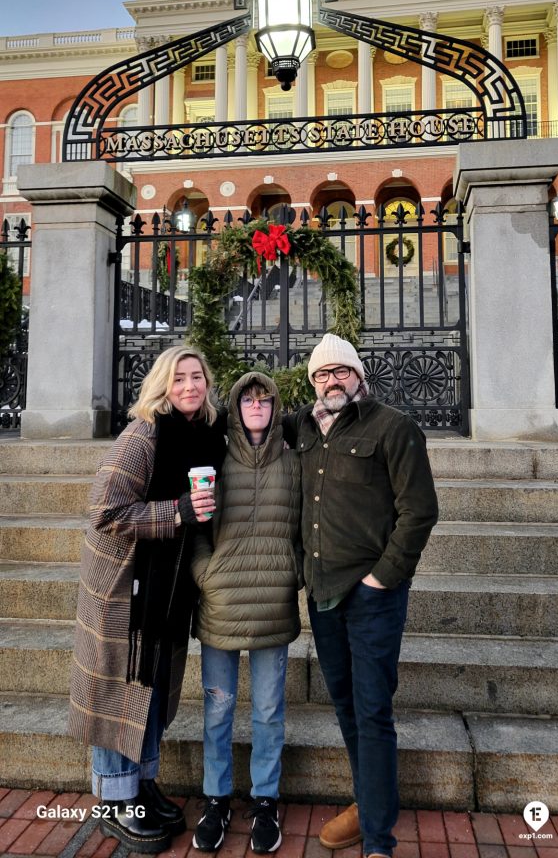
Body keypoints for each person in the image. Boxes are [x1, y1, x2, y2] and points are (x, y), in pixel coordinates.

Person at [283, 333, 439, 858]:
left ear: (358, 376)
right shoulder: (302, 428)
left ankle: (378, 840)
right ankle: (368, 800)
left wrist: (383, 578)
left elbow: (419, 511)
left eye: (340, 372)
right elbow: (245, 420)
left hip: (371, 595)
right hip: (323, 594)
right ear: (312, 384)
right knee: (347, 706)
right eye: (321, 375)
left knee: (372, 710)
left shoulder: (393, 427)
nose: (331, 381)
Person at [69, 345, 227, 854]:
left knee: (152, 687)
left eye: (196, 377)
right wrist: (177, 512)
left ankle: (140, 785)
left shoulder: (202, 432)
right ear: (162, 384)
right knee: (122, 686)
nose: (188, 386)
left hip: (167, 585)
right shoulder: (143, 433)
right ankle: (116, 801)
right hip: (126, 587)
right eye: (178, 377)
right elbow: (105, 511)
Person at [191, 371, 301, 855]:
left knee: (269, 711)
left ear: (276, 408)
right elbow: (197, 522)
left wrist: (293, 572)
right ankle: (215, 798)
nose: (256, 405)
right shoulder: (214, 459)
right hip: (221, 602)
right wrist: (204, 573)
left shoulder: (295, 464)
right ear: (235, 408)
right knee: (217, 710)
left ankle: (264, 800)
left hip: (272, 604)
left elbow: (306, 527)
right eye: (247, 399)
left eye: (264, 399)